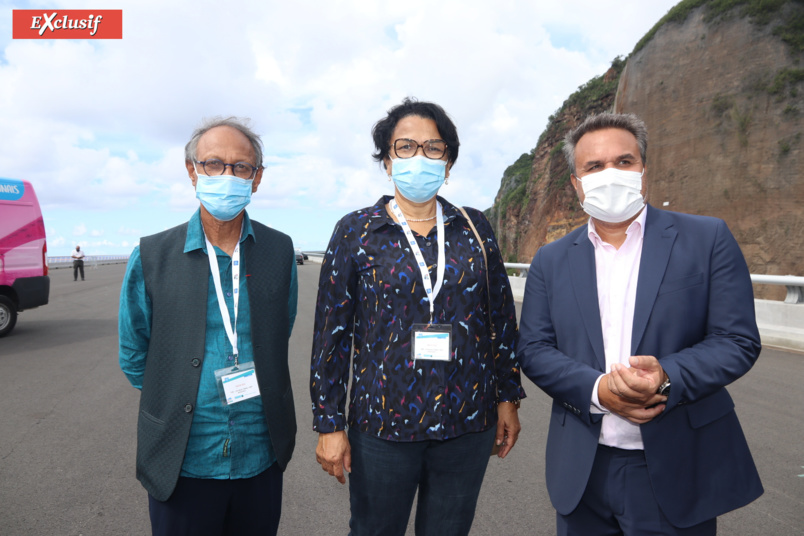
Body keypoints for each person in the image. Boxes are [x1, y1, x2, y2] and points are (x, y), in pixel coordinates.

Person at [517, 112, 763, 535]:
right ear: (576, 183)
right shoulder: (550, 260)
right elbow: (534, 349)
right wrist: (598, 391)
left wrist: (666, 377)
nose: (610, 174)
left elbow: (736, 339)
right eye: (594, 166)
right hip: (582, 470)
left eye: (624, 161)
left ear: (644, 170)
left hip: (677, 465)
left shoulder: (707, 239)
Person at [311, 98, 526, 536]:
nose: (419, 157)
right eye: (405, 146)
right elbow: (330, 336)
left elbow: (500, 318)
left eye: (433, 148)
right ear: (387, 162)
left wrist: (508, 397)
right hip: (383, 425)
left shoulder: (475, 227)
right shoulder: (356, 231)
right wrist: (330, 423)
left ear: (448, 163)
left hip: (466, 421)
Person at [118, 117, 298, 536]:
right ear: (192, 171)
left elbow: (279, 330)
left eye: (241, 167)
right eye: (214, 164)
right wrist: (177, 393)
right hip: (182, 457)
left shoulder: (279, 250)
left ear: (257, 180)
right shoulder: (152, 255)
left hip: (261, 451)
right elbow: (133, 353)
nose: (227, 175)